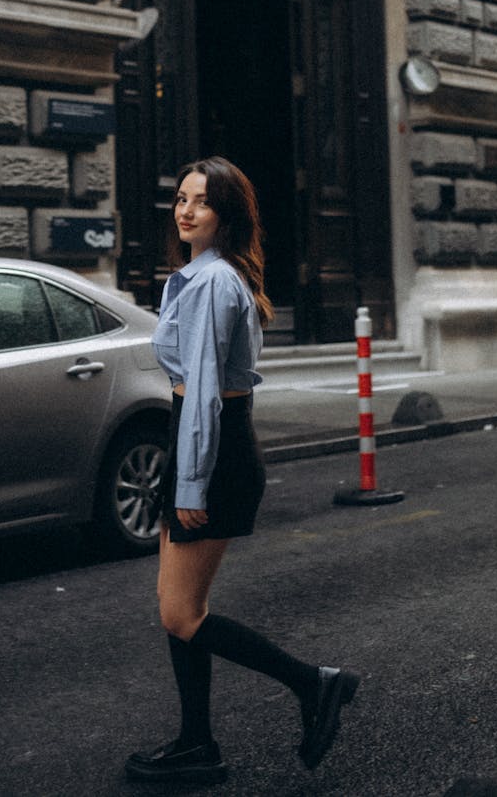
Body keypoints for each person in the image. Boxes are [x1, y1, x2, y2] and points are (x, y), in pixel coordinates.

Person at [125, 156, 359, 784]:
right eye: (180, 198)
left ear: (224, 214)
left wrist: (192, 482)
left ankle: (314, 684)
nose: (185, 209)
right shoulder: (203, 277)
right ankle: (196, 742)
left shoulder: (210, 284)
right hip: (200, 441)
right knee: (180, 606)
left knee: (181, 614)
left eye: (200, 201)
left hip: (214, 447)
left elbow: (202, 391)